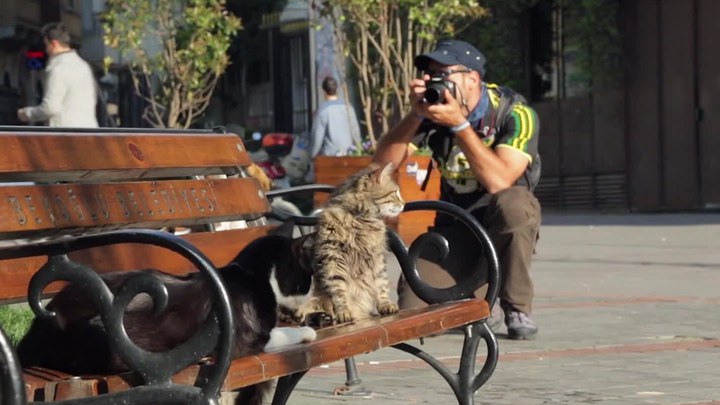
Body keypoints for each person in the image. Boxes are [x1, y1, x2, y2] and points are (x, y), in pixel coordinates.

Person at [373, 39, 542, 340]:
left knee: (513, 203)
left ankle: (516, 304)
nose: (437, 83)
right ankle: (474, 302)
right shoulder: (431, 114)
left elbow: (500, 181)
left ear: (472, 78)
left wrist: (460, 126)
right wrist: (414, 116)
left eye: (444, 74)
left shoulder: (514, 114)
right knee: (414, 313)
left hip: (503, 225)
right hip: (456, 229)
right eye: (431, 76)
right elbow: (379, 167)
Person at [17, 22, 98, 127]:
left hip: (65, 133)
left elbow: (50, 108)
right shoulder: (83, 65)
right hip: (88, 130)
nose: (46, 50)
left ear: (54, 44)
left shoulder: (58, 68)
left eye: (46, 45)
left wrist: (26, 114)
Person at [309, 76, 361, 157]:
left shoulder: (322, 110)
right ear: (337, 89)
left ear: (324, 91)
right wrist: (359, 149)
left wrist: (312, 156)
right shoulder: (348, 107)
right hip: (349, 154)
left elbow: (317, 139)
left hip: (330, 156)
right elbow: (355, 131)